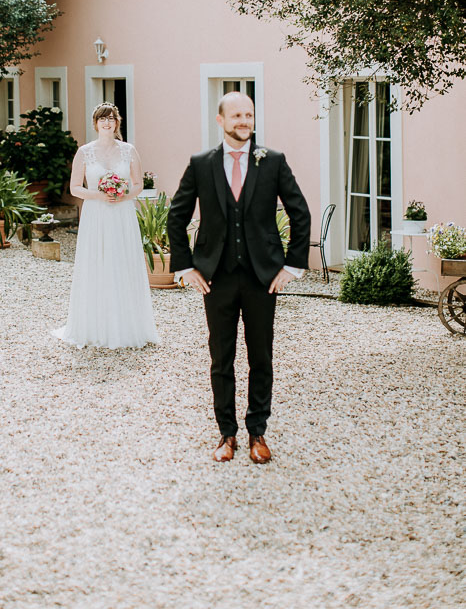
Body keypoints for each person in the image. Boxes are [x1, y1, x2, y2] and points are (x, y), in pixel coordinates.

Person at [167, 92, 310, 463]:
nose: (244, 121)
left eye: (249, 114)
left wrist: (291, 267)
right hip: (217, 277)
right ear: (220, 120)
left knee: (261, 356)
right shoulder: (201, 164)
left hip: (263, 277)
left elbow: (300, 212)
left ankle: (257, 433)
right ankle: (226, 434)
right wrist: (186, 268)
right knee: (221, 357)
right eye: (236, 115)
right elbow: (176, 217)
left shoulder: (273, 161)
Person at [53, 102, 159, 349]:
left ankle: (127, 325)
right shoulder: (85, 152)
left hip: (122, 213)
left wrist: (122, 194)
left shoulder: (129, 150)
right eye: (102, 119)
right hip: (96, 214)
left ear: (117, 123)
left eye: (111, 118)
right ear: (95, 123)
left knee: (123, 263)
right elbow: (74, 188)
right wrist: (100, 195)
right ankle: (96, 325)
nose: (107, 122)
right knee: (97, 263)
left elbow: (138, 184)